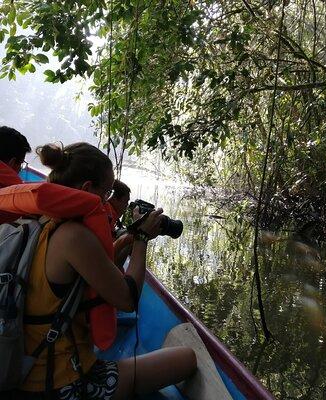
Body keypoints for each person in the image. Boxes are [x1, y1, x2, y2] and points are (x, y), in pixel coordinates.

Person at [20, 142, 196, 399]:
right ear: (88, 189)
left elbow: (92, 270)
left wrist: (127, 238)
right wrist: (142, 239)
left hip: (22, 369)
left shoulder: (39, 220)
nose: (108, 202)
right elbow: (128, 299)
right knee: (186, 358)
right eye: (107, 193)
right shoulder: (74, 237)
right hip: (56, 385)